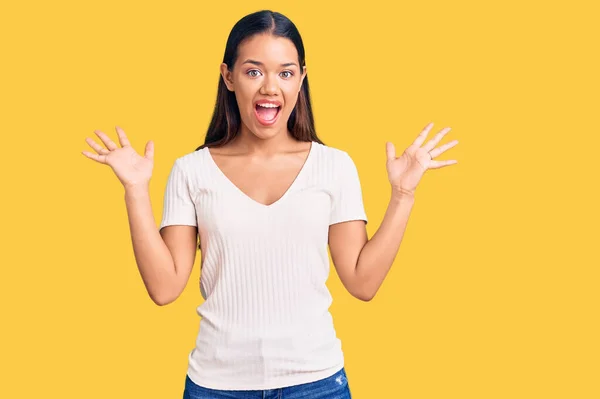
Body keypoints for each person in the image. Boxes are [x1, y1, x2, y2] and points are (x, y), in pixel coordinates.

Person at [81, 9, 458, 399]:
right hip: (217, 387)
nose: (270, 88)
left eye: (285, 72)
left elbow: (362, 283)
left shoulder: (333, 167)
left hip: (317, 384)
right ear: (228, 77)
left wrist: (403, 196)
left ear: (301, 79)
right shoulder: (191, 171)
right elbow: (163, 288)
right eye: (254, 71)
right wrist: (136, 189)